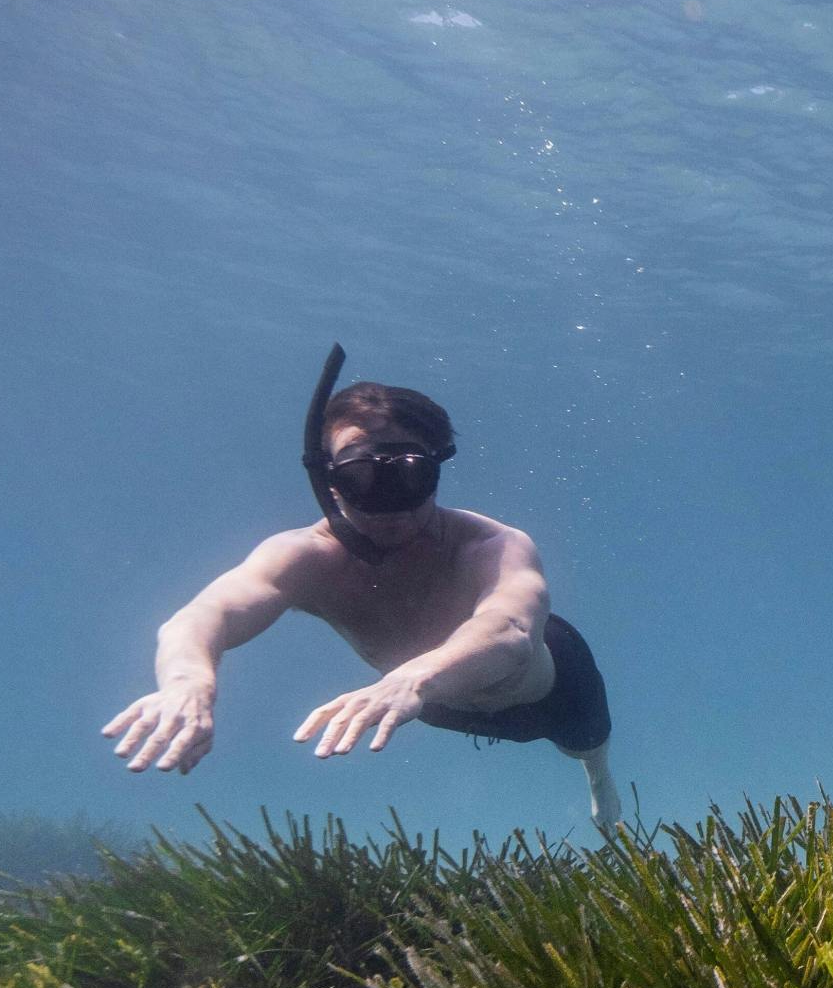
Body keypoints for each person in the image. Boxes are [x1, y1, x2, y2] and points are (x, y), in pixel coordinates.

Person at [105, 351, 622, 835]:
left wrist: (414, 680)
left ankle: (598, 774)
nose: (389, 503)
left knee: (587, 745)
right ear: (329, 481)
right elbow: (204, 614)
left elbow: (509, 629)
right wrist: (188, 682)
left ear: (436, 473)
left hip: (547, 685)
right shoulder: (305, 558)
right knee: (440, 698)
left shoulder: (492, 544)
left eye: (409, 475)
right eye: (361, 476)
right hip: (429, 702)